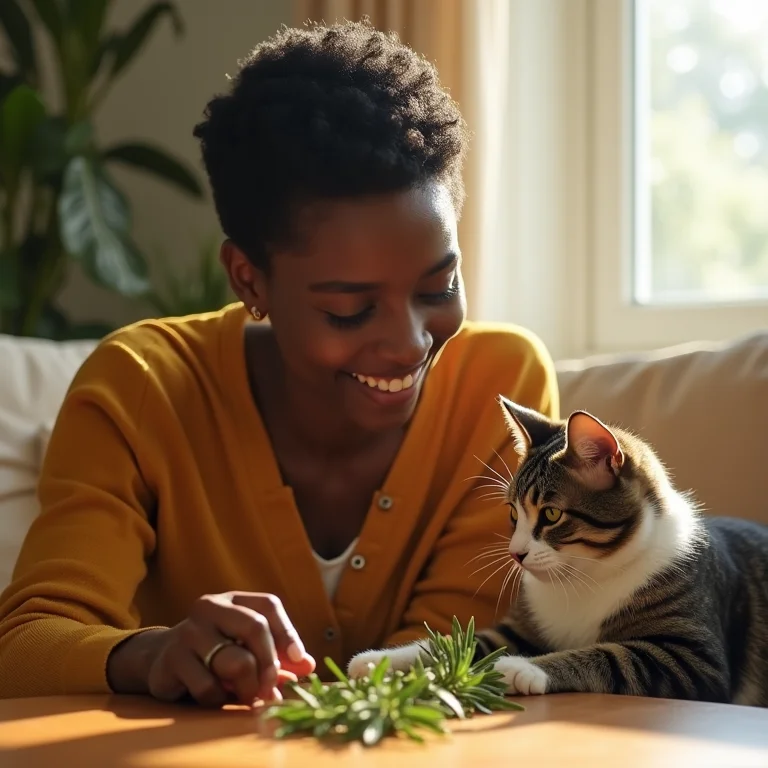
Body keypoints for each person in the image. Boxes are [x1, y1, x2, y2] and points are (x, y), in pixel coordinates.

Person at [0, 19, 558, 706]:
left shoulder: (501, 387)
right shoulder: (140, 387)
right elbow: (23, 647)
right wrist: (148, 654)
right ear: (249, 279)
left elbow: (450, 659)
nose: (410, 342)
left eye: (438, 286)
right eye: (350, 309)